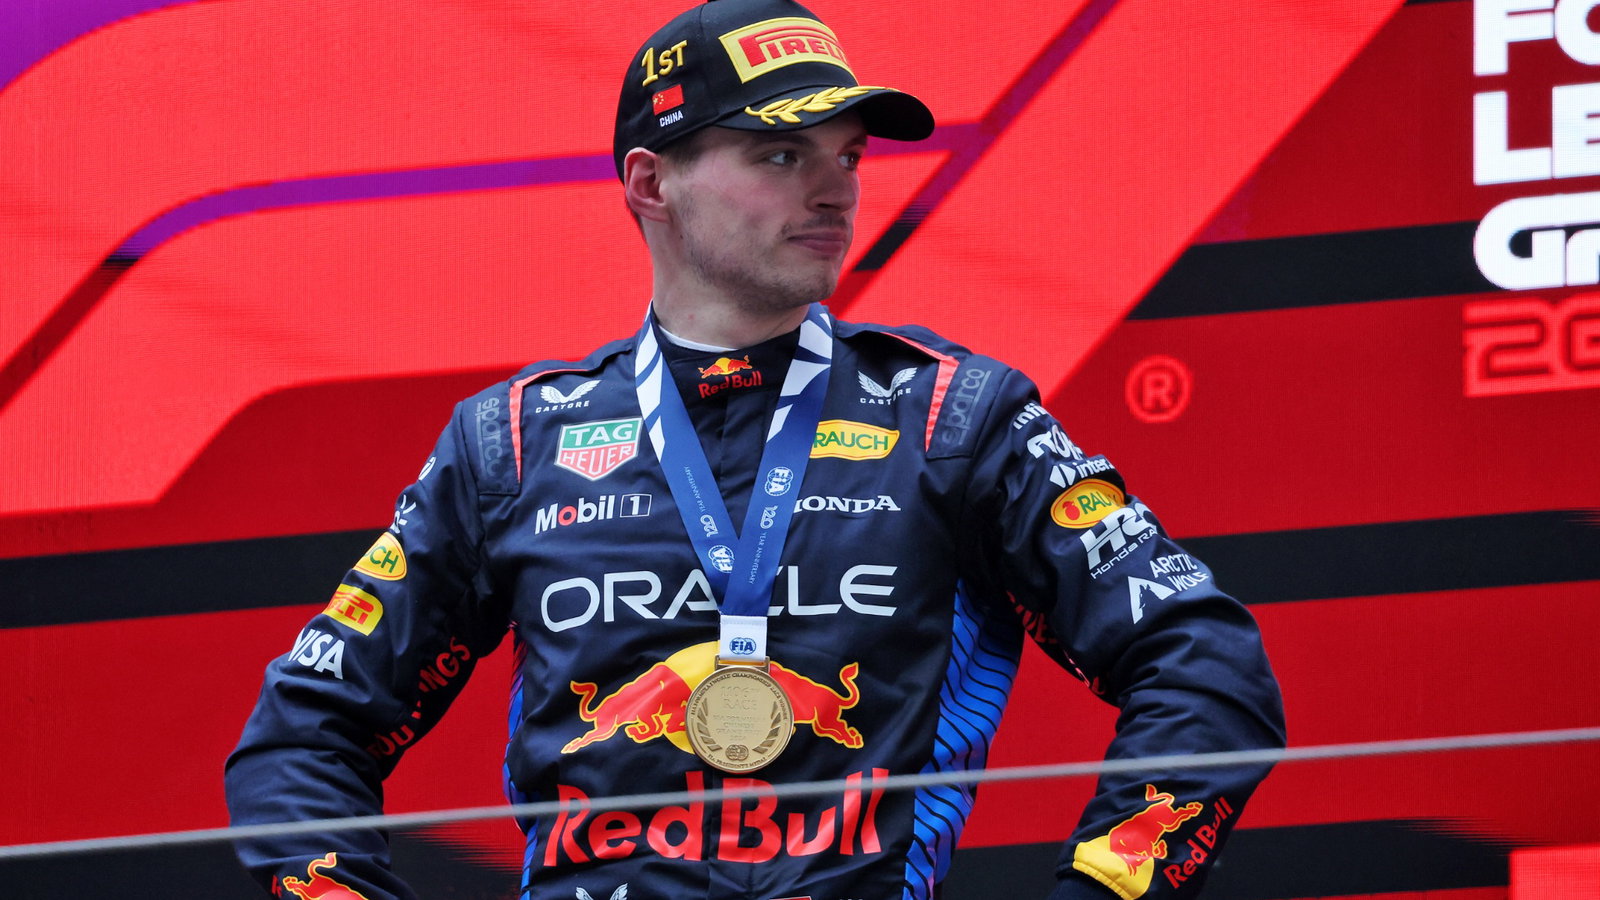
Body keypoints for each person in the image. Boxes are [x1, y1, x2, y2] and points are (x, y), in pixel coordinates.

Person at [225, 1, 1286, 898]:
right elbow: (304, 734)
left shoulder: (952, 418)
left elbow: (1207, 666)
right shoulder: (512, 441)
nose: (835, 190)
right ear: (651, 183)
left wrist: (1104, 888)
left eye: (847, 157)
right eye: (782, 155)